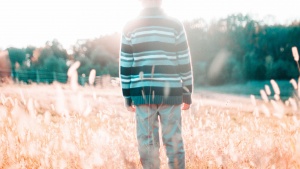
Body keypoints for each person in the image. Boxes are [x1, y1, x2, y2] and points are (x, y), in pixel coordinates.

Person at [119, 0, 193, 168]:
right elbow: (184, 60)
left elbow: (125, 64)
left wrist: (127, 96)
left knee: (147, 145)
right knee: (174, 144)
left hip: (142, 95)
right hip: (171, 94)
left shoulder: (130, 26)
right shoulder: (175, 24)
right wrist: (187, 91)